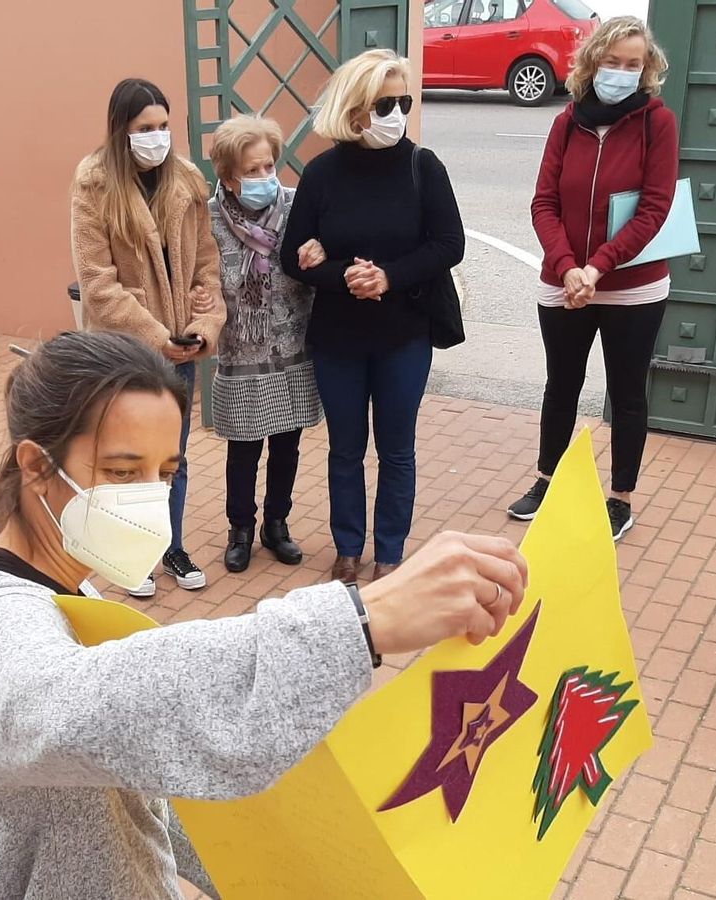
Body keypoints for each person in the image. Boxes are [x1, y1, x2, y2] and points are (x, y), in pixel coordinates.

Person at [0, 331, 529, 900]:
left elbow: (146, 775)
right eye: (122, 472)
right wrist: (362, 621)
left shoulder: (74, 595)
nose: (149, 497)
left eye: (165, 473)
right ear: (35, 466)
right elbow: (67, 709)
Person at [280, 50, 464, 586]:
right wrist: (341, 274)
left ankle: (389, 551)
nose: (397, 114)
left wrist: (387, 277)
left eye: (404, 102)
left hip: (403, 334)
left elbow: (449, 244)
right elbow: (293, 255)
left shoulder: (423, 167)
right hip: (338, 337)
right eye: (386, 104)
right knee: (344, 449)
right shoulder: (322, 173)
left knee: (396, 448)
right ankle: (347, 548)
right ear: (355, 108)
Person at [507, 16, 678, 542]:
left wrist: (598, 266)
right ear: (592, 62)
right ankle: (547, 479)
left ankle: (620, 497)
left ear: (647, 70)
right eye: (613, 62)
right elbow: (544, 202)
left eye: (633, 65)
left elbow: (655, 208)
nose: (622, 72)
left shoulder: (657, 123)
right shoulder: (567, 122)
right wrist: (567, 267)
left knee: (627, 393)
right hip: (564, 282)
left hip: (633, 285)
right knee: (561, 383)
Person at [70, 77, 227, 599]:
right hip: (124, 353)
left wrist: (203, 325)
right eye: (145, 128)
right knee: (126, 461)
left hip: (180, 349)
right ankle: (129, 554)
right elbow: (98, 283)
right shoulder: (94, 183)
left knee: (171, 459)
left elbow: (207, 263)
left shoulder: (187, 180)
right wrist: (158, 336)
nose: (157, 137)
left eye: (163, 126)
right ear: (121, 130)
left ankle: (172, 547)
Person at [204, 115, 324, 573]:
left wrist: (320, 253)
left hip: (292, 347)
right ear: (228, 176)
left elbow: (321, 256)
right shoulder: (210, 218)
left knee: (287, 445)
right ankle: (240, 529)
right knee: (243, 447)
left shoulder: (296, 207)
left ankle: (277, 524)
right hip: (240, 351)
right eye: (251, 171)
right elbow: (200, 275)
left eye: (268, 166)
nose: (263, 177)